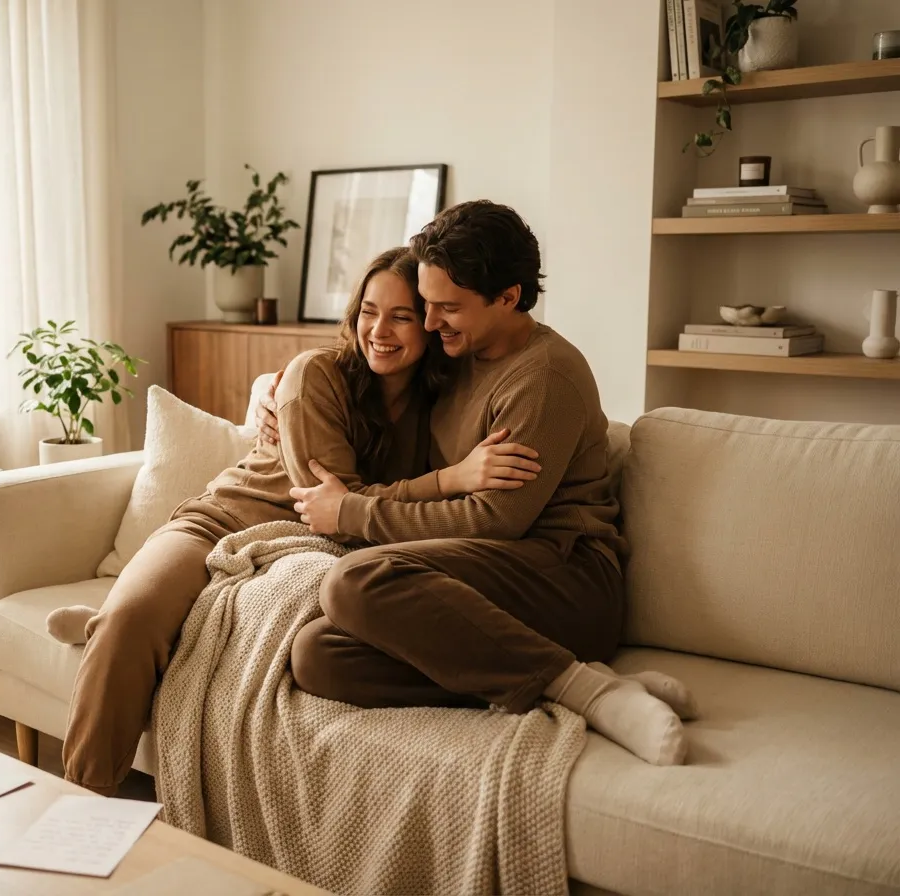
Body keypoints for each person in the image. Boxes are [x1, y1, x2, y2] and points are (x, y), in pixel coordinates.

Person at [52, 246, 544, 795]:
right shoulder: (315, 375)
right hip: (223, 524)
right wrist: (449, 480)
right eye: (368, 312)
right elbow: (336, 509)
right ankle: (82, 803)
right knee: (131, 619)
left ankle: (107, 623)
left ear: (429, 326)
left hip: (305, 553)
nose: (379, 330)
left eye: (401, 316)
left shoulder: (442, 403)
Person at [260, 200, 691, 766]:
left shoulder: (545, 375)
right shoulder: (454, 355)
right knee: (319, 656)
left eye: (448, 308)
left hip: (565, 580)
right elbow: (362, 369)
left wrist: (353, 512)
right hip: (477, 583)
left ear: (508, 297)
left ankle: (592, 694)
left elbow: (495, 520)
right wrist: (272, 390)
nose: (431, 322)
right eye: (428, 304)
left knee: (356, 578)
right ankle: (557, 672)